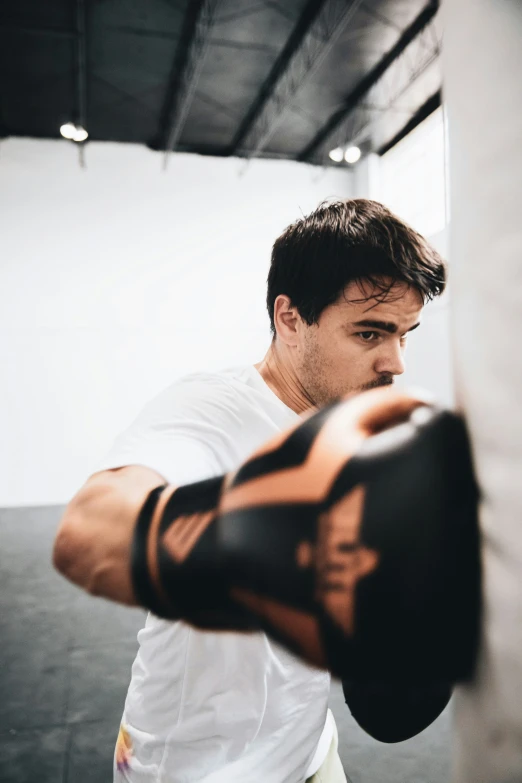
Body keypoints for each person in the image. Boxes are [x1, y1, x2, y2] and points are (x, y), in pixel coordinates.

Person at [53, 198, 446, 783]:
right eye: (371, 332)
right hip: (195, 771)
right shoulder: (207, 410)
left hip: (309, 752)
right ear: (289, 319)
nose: (395, 361)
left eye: (405, 335)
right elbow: (90, 534)